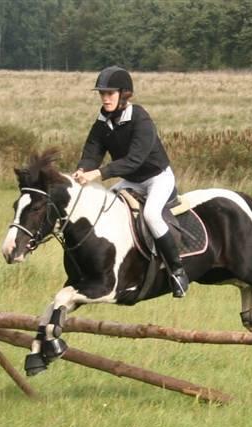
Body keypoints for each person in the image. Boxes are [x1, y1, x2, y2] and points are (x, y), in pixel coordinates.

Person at [72, 66, 189, 298]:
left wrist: (98, 174)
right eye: (102, 94)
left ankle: (177, 271)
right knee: (107, 208)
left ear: (124, 94)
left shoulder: (140, 119)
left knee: (151, 216)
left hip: (157, 178)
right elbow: (92, 151)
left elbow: (134, 160)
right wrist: (82, 170)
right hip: (132, 181)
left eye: (110, 93)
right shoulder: (103, 120)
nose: (105, 98)